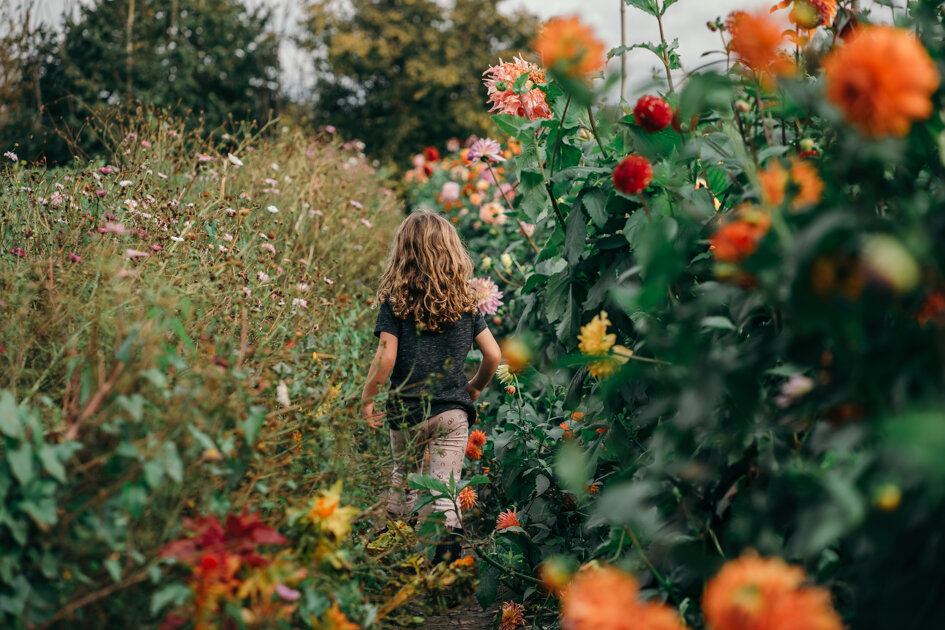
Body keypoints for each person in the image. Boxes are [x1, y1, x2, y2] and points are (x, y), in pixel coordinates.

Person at [361, 210, 501, 563]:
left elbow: (385, 358)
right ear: (452, 253)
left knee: (404, 481)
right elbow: (494, 355)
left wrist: (368, 397)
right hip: (452, 413)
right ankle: (445, 566)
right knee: (444, 488)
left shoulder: (395, 303)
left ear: (403, 255)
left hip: (408, 411)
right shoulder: (467, 303)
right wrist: (474, 387)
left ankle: (398, 556)